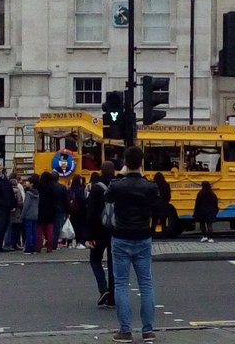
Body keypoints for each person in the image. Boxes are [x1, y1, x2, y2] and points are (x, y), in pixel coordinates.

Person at [105, 146, 160, 343]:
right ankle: (148, 330)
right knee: (146, 283)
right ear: (142, 163)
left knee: (121, 283)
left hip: (121, 236)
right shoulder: (150, 186)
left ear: (126, 163)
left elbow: (108, 198)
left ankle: (125, 330)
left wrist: (120, 175)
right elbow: (157, 205)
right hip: (143, 235)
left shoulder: (117, 185)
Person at [85, 161, 116, 308]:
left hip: (98, 230)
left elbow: (90, 213)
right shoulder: (117, 186)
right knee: (113, 264)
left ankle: (103, 289)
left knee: (95, 259)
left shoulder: (96, 188)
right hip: (115, 230)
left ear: (101, 172)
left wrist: (88, 236)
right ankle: (113, 297)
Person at [37, 171, 56, 253]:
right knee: (50, 230)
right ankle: (49, 246)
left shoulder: (39, 186)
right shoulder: (53, 187)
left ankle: (38, 246)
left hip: (40, 209)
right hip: (50, 210)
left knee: (39, 229)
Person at [21, 174, 40, 254]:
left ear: (31, 183)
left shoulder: (28, 193)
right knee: (34, 231)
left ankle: (28, 248)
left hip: (28, 214)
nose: (27, 183)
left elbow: (26, 206)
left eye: (28, 182)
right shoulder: (37, 192)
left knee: (28, 232)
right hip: (35, 213)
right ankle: (34, 247)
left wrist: (22, 216)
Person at [68, 174, 87, 249]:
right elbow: (82, 200)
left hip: (72, 211)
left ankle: (69, 243)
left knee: (72, 226)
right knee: (80, 227)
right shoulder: (80, 189)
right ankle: (79, 242)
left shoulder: (70, 189)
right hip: (80, 211)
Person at [151, 172, 171, 236]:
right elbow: (168, 196)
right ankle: (164, 232)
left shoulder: (153, 185)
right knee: (163, 220)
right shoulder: (166, 184)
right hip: (163, 204)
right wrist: (166, 201)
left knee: (154, 220)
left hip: (154, 205)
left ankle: (152, 232)